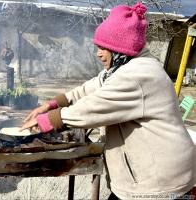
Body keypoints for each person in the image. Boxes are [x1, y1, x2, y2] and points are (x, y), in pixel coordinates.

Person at [21, 2, 195, 199]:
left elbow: (94, 107)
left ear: (119, 49)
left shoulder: (139, 76)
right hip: (148, 175)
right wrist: (53, 103)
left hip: (160, 183)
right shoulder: (125, 67)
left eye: (103, 47)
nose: (98, 53)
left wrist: (47, 120)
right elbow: (93, 86)